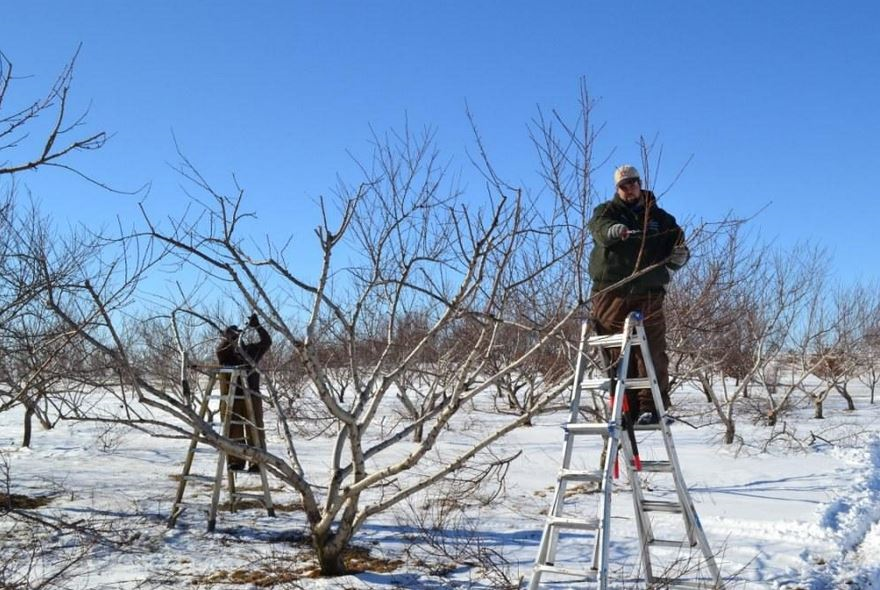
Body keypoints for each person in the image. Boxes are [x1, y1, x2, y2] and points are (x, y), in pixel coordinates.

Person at [587, 164, 689, 425]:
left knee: (651, 350)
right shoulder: (606, 212)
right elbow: (600, 228)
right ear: (617, 189)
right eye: (623, 185)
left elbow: (678, 245)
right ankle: (625, 407)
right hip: (611, 292)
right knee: (616, 350)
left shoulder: (661, 218)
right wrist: (614, 232)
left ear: (640, 183)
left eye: (633, 182)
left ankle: (651, 407)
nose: (629, 188)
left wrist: (679, 257)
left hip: (649, 292)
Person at [216, 313, 272, 471]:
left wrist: (258, 326)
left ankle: (257, 462)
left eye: (236, 335)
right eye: (232, 336)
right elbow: (220, 350)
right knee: (233, 431)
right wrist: (227, 338)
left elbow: (267, 342)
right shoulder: (224, 353)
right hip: (230, 398)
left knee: (255, 429)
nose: (235, 338)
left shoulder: (251, 351)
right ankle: (235, 461)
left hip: (251, 396)